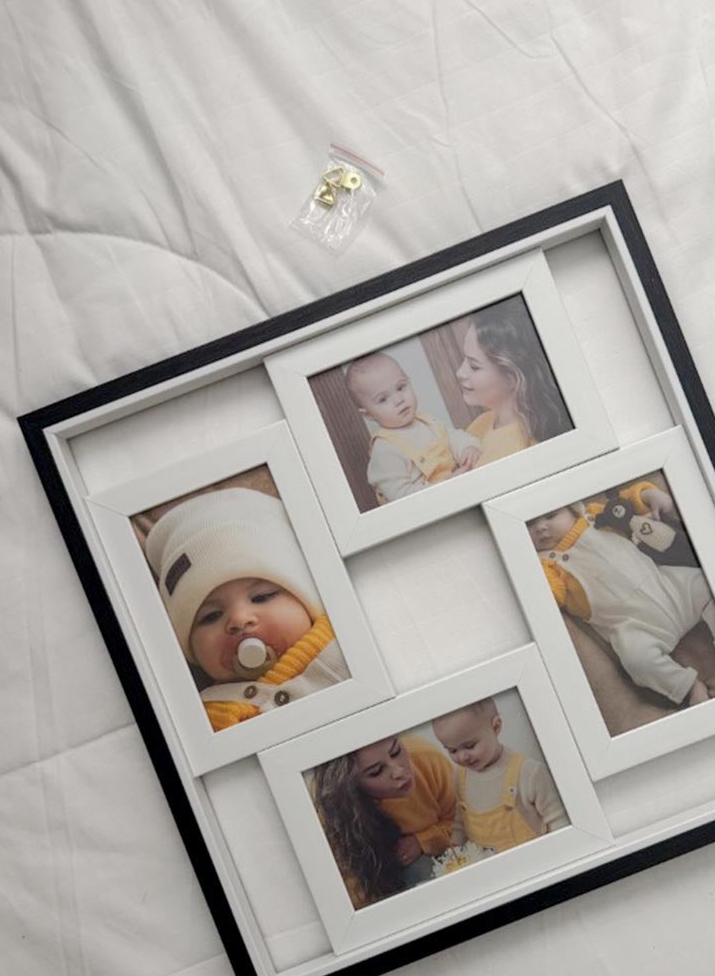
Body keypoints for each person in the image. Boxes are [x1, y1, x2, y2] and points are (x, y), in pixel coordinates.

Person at [146, 487, 349, 732]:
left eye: (261, 597)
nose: (239, 619)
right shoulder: (207, 720)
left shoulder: (349, 641)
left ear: (307, 602)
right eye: (211, 616)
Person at [527, 482, 715, 708]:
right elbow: (549, 596)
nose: (541, 528)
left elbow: (624, 504)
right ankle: (689, 687)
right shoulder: (545, 564)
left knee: (706, 583)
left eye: (551, 516)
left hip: (669, 587)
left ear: (572, 509)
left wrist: (649, 495)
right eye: (529, 525)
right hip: (632, 625)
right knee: (637, 661)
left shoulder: (594, 516)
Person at [309, 734, 457, 907]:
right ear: (350, 785)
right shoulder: (325, 809)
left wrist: (423, 841)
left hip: (438, 863)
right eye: (376, 772)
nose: (399, 772)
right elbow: (340, 890)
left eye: (396, 752)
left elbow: (466, 822)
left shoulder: (426, 758)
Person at [432, 698, 568, 852]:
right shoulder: (459, 776)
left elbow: (559, 821)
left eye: (470, 746)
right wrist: (455, 848)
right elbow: (461, 820)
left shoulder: (529, 772)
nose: (462, 757)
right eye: (452, 750)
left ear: (495, 727)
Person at [346, 351, 481, 502]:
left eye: (400, 387)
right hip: (429, 505)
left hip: (456, 487)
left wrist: (467, 448)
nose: (399, 399)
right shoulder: (384, 450)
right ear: (369, 415)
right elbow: (401, 497)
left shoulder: (426, 421)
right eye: (383, 399)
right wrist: (445, 485)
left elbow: (451, 437)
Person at [456, 301, 571, 467]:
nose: (459, 372)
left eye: (474, 366)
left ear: (512, 377)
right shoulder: (481, 424)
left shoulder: (523, 449)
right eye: (464, 359)